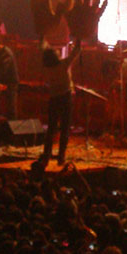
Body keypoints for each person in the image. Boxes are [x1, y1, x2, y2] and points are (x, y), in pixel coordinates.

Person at [32, 43, 82, 172]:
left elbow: (42, 49)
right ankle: (61, 157)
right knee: (65, 128)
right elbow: (75, 54)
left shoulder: (47, 68)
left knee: (51, 129)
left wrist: (42, 40)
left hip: (53, 98)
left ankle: (46, 156)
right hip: (65, 98)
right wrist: (79, 40)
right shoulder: (63, 65)